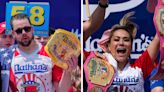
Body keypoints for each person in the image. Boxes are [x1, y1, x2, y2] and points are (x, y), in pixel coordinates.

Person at [0, 13, 78, 92]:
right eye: (19, 31)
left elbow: (61, 90)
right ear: (13, 33)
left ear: (32, 29)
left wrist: (67, 71)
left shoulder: (50, 54)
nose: (24, 33)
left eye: (27, 29)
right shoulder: (6, 57)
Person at [84, 11, 160, 92]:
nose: (121, 43)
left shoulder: (139, 68)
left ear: (131, 46)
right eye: (116, 39)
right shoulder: (96, 65)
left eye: (126, 40)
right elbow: (77, 46)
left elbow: (159, 36)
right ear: (108, 45)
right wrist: (89, 24)